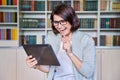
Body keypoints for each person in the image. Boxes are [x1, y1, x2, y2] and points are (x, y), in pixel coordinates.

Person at [26, 3, 96, 80]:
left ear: (71, 20)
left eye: (62, 21)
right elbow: (51, 69)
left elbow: (88, 72)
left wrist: (70, 53)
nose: (59, 26)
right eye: (56, 22)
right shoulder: (51, 37)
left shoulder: (86, 40)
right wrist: (36, 66)